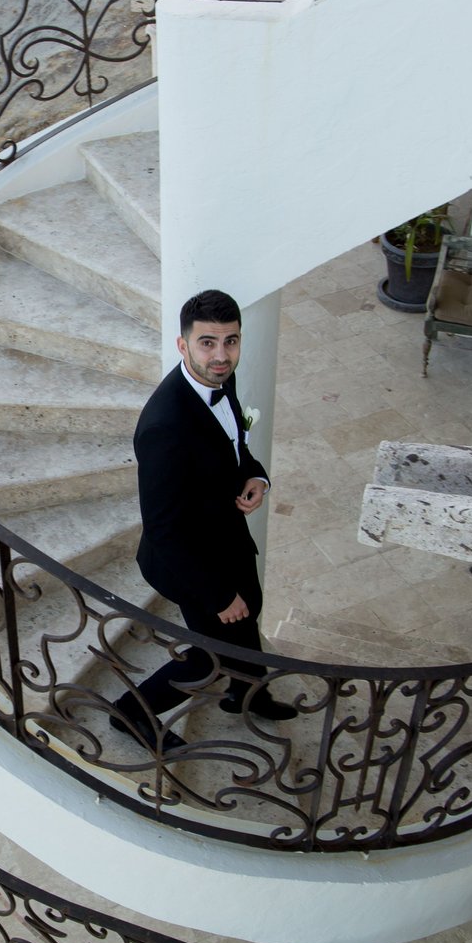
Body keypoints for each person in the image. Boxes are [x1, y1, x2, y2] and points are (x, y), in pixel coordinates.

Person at [112, 289, 297, 752]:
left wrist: (255, 475)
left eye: (230, 341)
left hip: (227, 537)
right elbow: (163, 529)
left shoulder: (219, 381)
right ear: (183, 345)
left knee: (248, 615)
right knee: (205, 657)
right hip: (187, 559)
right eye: (208, 343)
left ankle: (248, 695)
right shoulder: (163, 426)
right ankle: (131, 713)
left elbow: (235, 446)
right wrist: (217, 594)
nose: (221, 355)